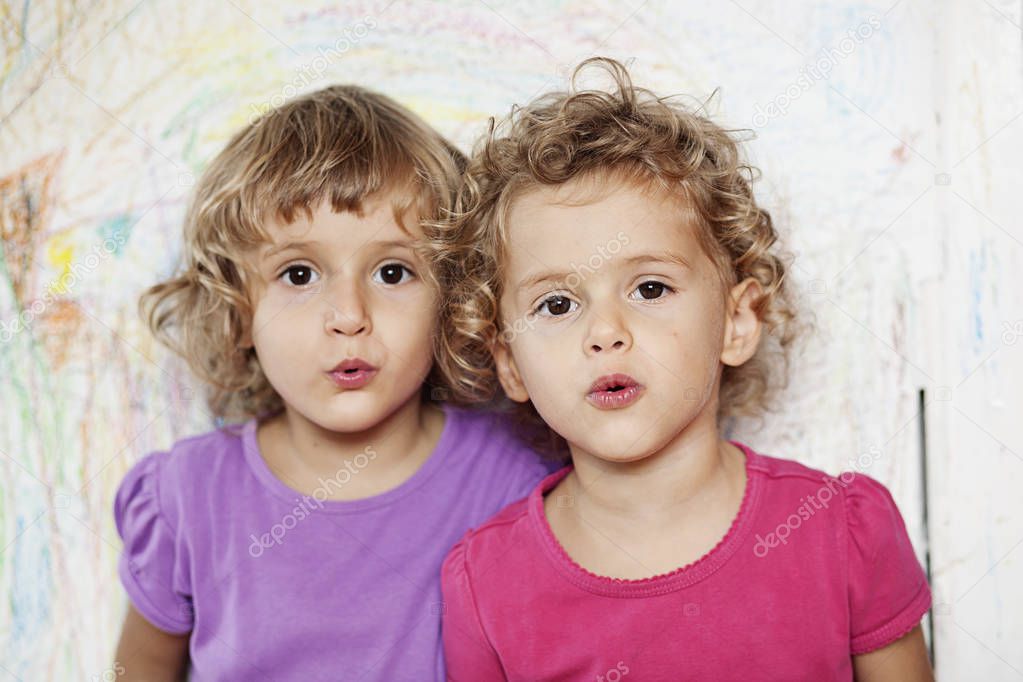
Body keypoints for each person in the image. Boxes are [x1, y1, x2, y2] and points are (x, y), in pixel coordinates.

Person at [437, 58, 934, 681]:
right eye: (557, 304)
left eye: (648, 288)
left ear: (737, 321)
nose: (605, 333)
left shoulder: (844, 534)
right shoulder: (486, 584)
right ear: (509, 361)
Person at [112, 85, 549, 680]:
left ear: (450, 298)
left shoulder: (517, 480)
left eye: (392, 272)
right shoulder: (187, 499)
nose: (348, 314)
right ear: (239, 311)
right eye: (298, 273)